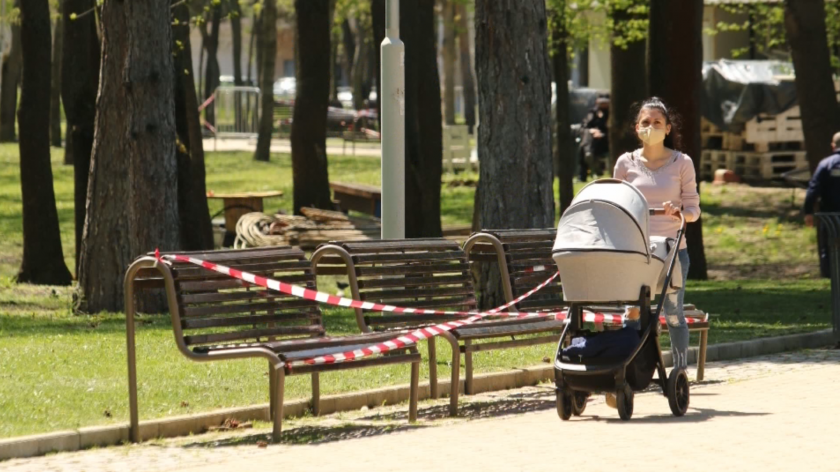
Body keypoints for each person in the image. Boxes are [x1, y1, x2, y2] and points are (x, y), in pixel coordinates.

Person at [606, 97, 700, 406]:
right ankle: (627, 371)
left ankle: (680, 371)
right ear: (636, 128)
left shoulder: (681, 163)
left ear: (668, 128)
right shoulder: (625, 163)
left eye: (657, 123)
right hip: (636, 252)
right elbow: (615, 202)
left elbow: (694, 211)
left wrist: (679, 211)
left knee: (672, 312)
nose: (651, 128)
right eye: (645, 123)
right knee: (632, 312)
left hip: (673, 251)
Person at [802, 132, 840, 278]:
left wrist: (808, 211)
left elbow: (813, 189)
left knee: (829, 247)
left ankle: (829, 277)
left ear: (832, 146)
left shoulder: (826, 164)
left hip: (829, 215)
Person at [578, 96, 610, 181]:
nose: (603, 104)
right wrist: (592, 130)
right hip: (592, 140)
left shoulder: (611, 113)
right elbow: (584, 126)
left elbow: (613, 129)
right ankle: (588, 154)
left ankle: (588, 154)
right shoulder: (593, 112)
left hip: (606, 140)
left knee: (584, 147)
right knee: (586, 138)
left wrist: (601, 134)